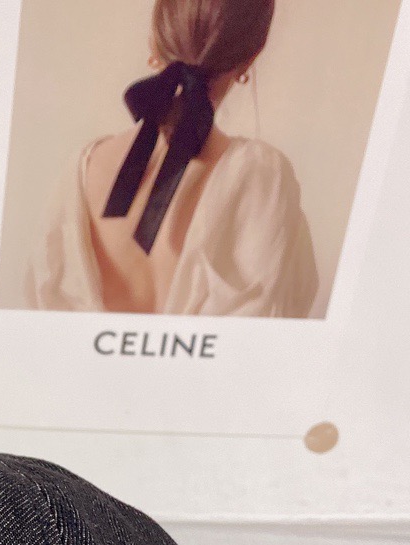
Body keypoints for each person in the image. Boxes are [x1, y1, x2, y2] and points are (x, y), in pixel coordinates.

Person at [25, 0, 318, 317]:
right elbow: (279, 325)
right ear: (249, 59)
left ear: (154, 43)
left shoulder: (81, 170)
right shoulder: (262, 177)